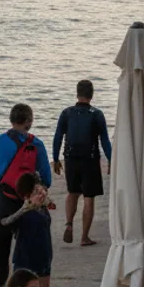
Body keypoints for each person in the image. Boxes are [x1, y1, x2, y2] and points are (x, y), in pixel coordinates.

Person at [0, 104, 53, 287]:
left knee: (1, 252)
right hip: (28, 205)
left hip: (4, 202)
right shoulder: (36, 144)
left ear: (11, 119)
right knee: (27, 254)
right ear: (29, 122)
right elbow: (47, 179)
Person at [52, 80, 112, 246]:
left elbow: (58, 137)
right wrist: (112, 160)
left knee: (72, 192)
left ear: (77, 93)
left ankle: (69, 224)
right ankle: (84, 237)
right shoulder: (97, 114)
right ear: (91, 95)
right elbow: (105, 140)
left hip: (70, 158)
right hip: (90, 159)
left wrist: (56, 158)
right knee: (88, 197)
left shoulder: (66, 113)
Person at [2, 172, 54, 287]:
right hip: (25, 260)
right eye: (36, 192)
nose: (42, 193)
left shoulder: (42, 208)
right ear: (26, 196)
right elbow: (5, 222)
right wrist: (24, 209)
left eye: (41, 190)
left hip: (44, 258)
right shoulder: (24, 211)